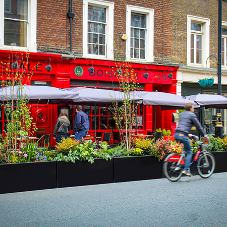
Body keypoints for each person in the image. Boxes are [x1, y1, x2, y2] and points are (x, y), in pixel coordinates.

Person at [174, 102, 205, 177]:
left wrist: (187, 134)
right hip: (183, 135)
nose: (194, 109)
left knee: (184, 150)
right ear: (191, 108)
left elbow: (182, 125)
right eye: (193, 108)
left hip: (177, 133)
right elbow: (198, 126)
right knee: (189, 152)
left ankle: (179, 165)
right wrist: (203, 135)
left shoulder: (182, 114)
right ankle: (186, 169)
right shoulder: (192, 115)